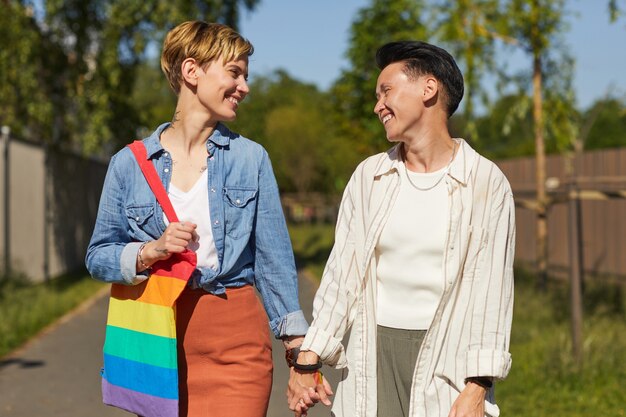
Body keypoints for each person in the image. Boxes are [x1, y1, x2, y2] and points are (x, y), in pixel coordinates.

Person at [86, 20, 309, 417]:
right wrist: (148, 251)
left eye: (245, 75)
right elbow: (98, 255)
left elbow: (274, 262)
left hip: (236, 339)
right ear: (192, 72)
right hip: (157, 337)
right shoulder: (128, 164)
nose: (245, 86)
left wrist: (299, 352)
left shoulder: (250, 159)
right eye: (234, 72)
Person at [286, 41, 515, 417]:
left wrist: (478, 386)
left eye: (386, 91)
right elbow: (342, 274)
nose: (378, 106)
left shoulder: (486, 183)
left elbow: (491, 291)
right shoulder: (370, 177)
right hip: (372, 354)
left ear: (428, 89)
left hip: (448, 362)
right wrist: (308, 360)